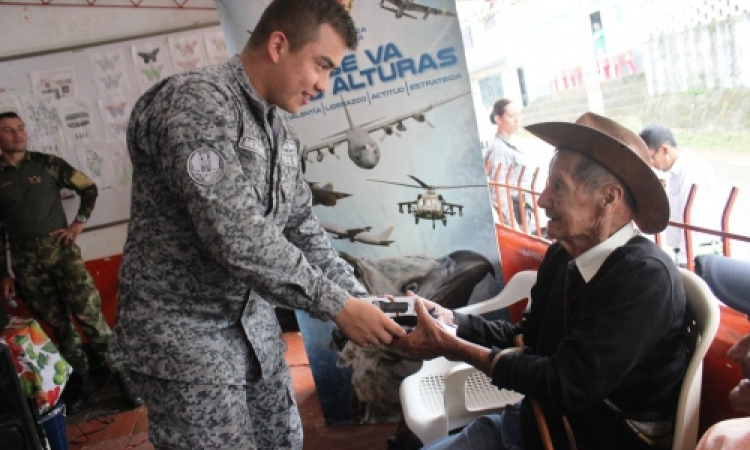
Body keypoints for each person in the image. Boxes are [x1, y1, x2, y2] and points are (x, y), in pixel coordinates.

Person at [107, 1, 406, 449]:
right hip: (187, 346)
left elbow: (304, 231)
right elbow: (236, 235)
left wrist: (363, 301)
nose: (324, 85)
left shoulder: (278, 134)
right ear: (278, 44)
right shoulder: (196, 103)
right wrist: (337, 306)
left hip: (254, 337)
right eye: (321, 65)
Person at [390, 112, 690, 450]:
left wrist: (453, 347)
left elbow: (566, 385)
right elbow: (526, 338)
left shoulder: (645, 279)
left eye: (557, 186)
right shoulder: (563, 257)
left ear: (609, 198)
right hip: (532, 424)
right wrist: (451, 321)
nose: (543, 199)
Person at [0, 111, 142, 413]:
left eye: (21, 129)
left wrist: (78, 223)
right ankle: (86, 384)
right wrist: (4, 273)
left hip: (63, 257)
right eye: (9, 131)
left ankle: (125, 381)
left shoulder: (46, 164)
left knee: (93, 321)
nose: (17, 135)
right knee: (60, 327)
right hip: (28, 266)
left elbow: (88, 187)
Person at [639, 124, 722, 266]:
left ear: (664, 149)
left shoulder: (691, 171)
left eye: (651, 158)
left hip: (699, 255)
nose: (651, 165)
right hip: (689, 253)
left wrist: (685, 262)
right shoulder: (676, 172)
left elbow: (693, 221)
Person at [484, 98, 536, 232]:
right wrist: (512, 225)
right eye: (511, 116)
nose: (517, 120)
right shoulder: (499, 150)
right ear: (498, 119)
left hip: (524, 208)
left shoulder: (511, 144)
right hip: (516, 214)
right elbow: (499, 190)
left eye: (518, 115)